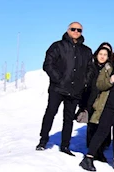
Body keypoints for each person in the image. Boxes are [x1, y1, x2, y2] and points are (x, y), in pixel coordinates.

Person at [38, 22, 93, 154]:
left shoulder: (86, 51)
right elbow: (48, 64)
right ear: (68, 30)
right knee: (50, 113)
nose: (76, 32)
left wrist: (84, 81)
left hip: (75, 91)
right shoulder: (57, 46)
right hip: (58, 88)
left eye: (79, 30)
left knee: (68, 119)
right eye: (73, 29)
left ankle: (65, 145)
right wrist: (59, 79)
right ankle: (43, 140)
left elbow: (90, 69)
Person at [83, 45, 112, 161]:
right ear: (96, 54)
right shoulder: (90, 66)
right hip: (90, 99)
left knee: (102, 127)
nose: (102, 57)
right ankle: (93, 151)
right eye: (101, 54)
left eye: (105, 55)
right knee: (91, 126)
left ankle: (100, 150)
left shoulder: (109, 68)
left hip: (104, 100)